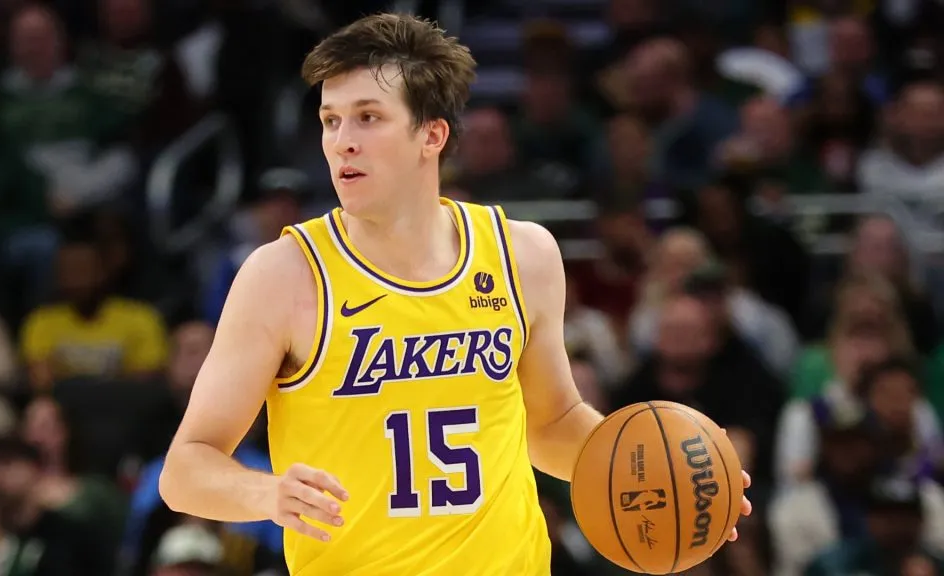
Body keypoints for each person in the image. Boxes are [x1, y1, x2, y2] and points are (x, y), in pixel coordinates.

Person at [159, 13, 752, 575]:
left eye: (368, 117)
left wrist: (669, 475)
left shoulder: (522, 255)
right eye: (330, 120)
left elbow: (549, 423)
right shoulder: (285, 275)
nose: (342, 141)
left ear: (432, 134)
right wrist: (265, 492)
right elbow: (185, 468)